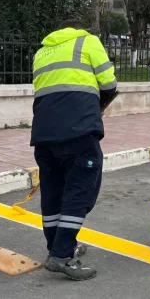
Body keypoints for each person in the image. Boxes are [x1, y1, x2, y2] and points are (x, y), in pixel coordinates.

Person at [30, 19, 118, 281]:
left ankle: (57, 247)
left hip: (44, 134)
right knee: (81, 191)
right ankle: (61, 256)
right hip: (79, 131)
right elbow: (109, 85)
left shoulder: (42, 51)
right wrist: (98, 106)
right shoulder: (88, 41)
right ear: (81, 29)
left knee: (53, 192)